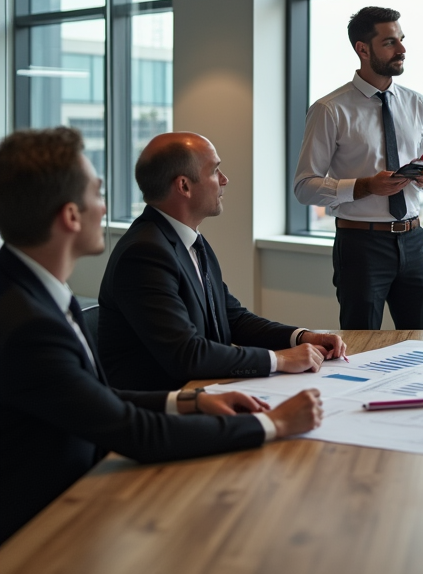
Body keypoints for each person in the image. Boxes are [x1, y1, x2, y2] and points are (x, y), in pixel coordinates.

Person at [0, 127, 323, 544]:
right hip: (47, 527)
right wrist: (272, 424)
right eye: (98, 194)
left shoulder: (38, 294)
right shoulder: (30, 324)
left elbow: (97, 396)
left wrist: (191, 400)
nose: (106, 208)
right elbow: (132, 430)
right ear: (71, 216)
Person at [99, 132, 346, 391]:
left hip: (206, 391)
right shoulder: (144, 253)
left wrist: (301, 337)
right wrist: (279, 359)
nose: (225, 180)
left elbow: (232, 318)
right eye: (215, 170)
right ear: (184, 186)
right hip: (164, 411)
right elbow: (187, 355)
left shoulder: (189, 240)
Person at [293, 6, 423, 330]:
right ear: (362, 49)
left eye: (401, 40)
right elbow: (304, 186)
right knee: (360, 348)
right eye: (390, 42)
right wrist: (365, 186)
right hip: (361, 247)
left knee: (421, 345)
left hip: (414, 240)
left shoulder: (417, 103)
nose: (402, 49)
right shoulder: (329, 109)